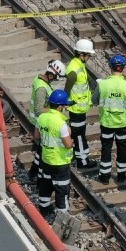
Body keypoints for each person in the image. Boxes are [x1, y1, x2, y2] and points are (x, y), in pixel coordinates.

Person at [33, 89, 74, 222]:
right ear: (61, 107)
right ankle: (63, 218)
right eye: (64, 106)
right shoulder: (61, 124)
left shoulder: (42, 118)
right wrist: (71, 139)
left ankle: (44, 208)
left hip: (46, 159)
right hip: (60, 163)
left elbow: (36, 136)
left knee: (46, 185)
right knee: (62, 190)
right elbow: (68, 144)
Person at [96, 54, 126, 184]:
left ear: (110, 67)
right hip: (122, 123)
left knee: (106, 148)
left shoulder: (103, 85)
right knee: (122, 149)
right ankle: (121, 176)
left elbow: (94, 100)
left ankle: (105, 177)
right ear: (123, 68)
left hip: (107, 123)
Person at [64, 38, 99, 169]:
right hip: (76, 108)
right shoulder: (74, 69)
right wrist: (65, 102)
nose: (89, 57)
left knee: (77, 134)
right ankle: (82, 161)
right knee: (79, 135)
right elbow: (68, 88)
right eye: (88, 55)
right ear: (81, 54)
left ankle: (74, 154)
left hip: (79, 107)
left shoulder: (78, 65)